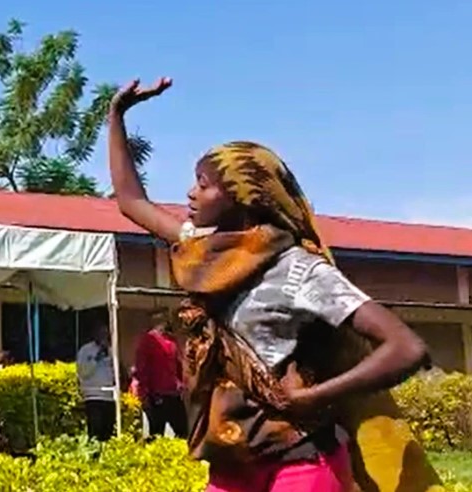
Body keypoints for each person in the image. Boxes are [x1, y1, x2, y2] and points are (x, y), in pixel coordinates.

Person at [108, 78, 440, 491]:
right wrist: (116, 116)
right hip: (231, 464)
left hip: (299, 462)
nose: (190, 193)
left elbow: (406, 349)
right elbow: (131, 202)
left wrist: (313, 398)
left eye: (204, 184)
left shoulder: (298, 269)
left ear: (244, 198)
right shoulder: (205, 251)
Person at [133, 309, 188, 438]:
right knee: (157, 432)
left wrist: (180, 383)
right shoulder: (147, 341)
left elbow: (177, 366)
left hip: (173, 393)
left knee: (183, 431)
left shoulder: (170, 341)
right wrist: (145, 393)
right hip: (157, 394)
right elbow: (142, 369)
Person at [76, 323, 117, 442]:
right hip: (93, 396)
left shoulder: (111, 350)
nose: (103, 336)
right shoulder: (86, 350)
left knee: (107, 431)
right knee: (95, 431)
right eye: (101, 333)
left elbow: (116, 372)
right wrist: (97, 359)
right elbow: (83, 372)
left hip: (109, 396)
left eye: (105, 334)